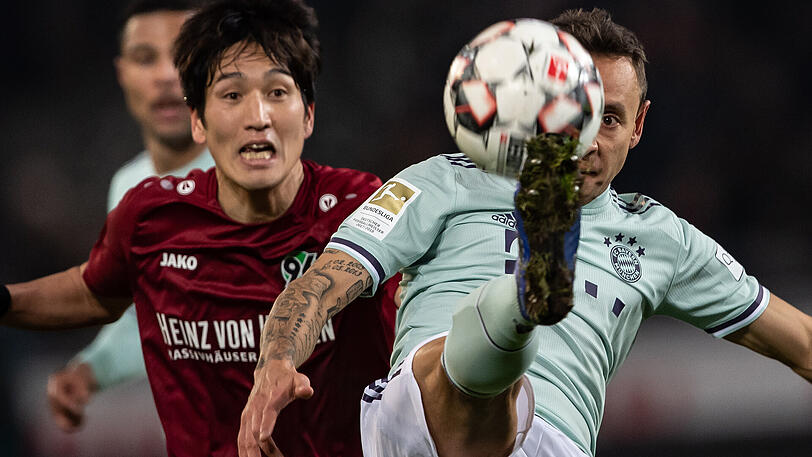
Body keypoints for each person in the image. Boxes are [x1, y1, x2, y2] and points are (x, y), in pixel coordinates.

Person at [239, 7, 812, 457]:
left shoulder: (661, 238)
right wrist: (276, 363)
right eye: (573, 116)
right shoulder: (443, 181)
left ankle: (521, 305)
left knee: (497, 382)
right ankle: (523, 301)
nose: (587, 141)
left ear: (639, 126)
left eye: (610, 119)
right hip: (420, 421)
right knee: (471, 376)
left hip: (556, 443)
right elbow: (323, 283)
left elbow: (802, 343)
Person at [1, 0, 397, 456]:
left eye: (277, 92)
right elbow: (94, 292)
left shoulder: (362, 207)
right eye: (231, 95)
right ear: (198, 121)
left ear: (308, 114)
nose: (258, 117)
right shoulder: (150, 216)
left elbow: (417, 316)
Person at [45, 0, 213, 434]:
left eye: (184, 56)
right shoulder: (128, 186)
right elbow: (146, 323)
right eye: (145, 57)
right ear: (122, 73)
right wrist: (89, 371)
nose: (166, 75)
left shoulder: (260, 172)